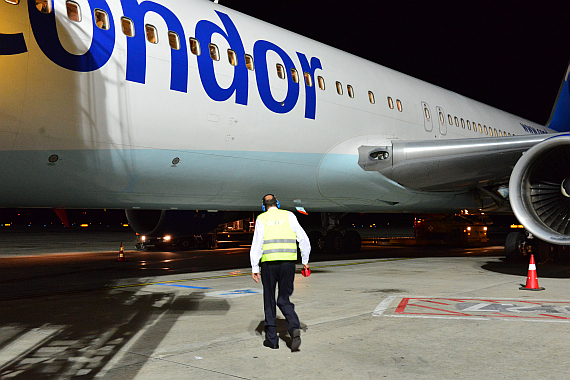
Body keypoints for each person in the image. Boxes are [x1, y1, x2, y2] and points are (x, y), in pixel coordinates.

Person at [250, 194, 310, 351]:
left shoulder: (262, 219)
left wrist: (255, 267)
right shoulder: (289, 216)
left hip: (269, 264)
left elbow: (257, 244)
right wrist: (305, 261)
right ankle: (294, 327)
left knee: (269, 299)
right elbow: (303, 239)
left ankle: (272, 340)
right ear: (278, 203)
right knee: (283, 298)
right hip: (287, 264)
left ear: (264, 206)